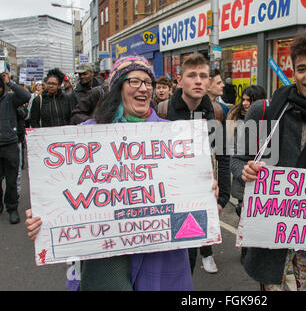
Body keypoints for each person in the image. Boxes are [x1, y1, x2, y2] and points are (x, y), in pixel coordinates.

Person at [25, 55, 218, 291]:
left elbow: (192, 189)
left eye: (148, 82)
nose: (144, 88)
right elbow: (60, 192)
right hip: (107, 258)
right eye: (134, 81)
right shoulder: (87, 136)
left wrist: (205, 190)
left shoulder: (172, 136)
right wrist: (43, 217)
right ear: (118, 88)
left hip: (161, 257)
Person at [231, 29, 306, 291]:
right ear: (292, 72)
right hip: (271, 236)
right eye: (302, 68)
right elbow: (237, 160)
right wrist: (245, 171)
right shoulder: (264, 111)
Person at [157, 53, 230, 275]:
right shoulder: (162, 110)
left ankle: (204, 258)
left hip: (200, 197)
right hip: (166, 198)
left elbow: (223, 157)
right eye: (191, 75)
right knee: (167, 264)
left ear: (209, 82)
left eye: (203, 76)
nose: (198, 81)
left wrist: (223, 198)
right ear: (179, 81)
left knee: (187, 264)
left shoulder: (215, 114)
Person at [226, 85, 266, 264]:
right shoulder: (237, 121)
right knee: (244, 214)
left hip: (262, 181)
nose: (245, 103)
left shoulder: (269, 121)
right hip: (244, 180)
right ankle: (246, 250)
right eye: (243, 99)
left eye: (249, 100)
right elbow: (233, 155)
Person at [0, 65, 30, 223]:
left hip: (10, 145)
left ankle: (12, 208)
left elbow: (25, 96)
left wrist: (10, 82)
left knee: (11, 181)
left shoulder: (10, 99)